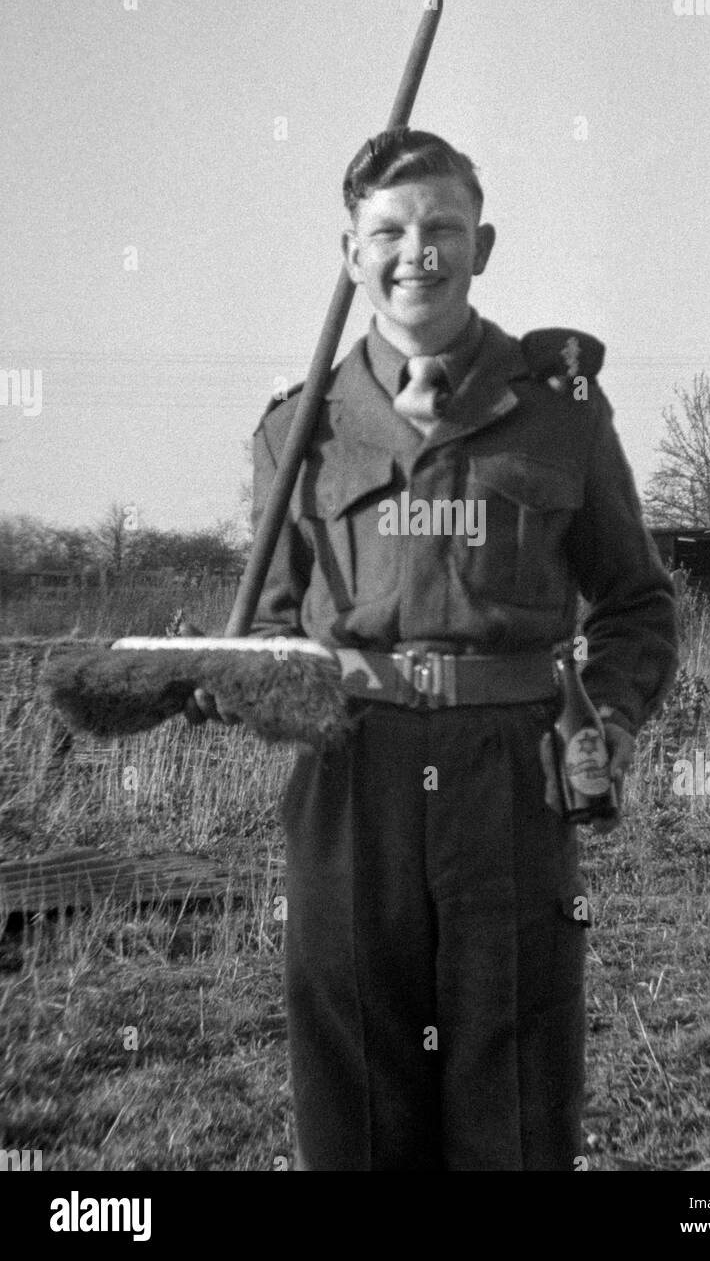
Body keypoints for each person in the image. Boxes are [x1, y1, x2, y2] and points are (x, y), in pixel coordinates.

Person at [188, 129, 679, 1171]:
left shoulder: (561, 415)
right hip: (350, 777)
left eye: (442, 229)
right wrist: (231, 683)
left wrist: (611, 718)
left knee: (514, 1083)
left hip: (510, 775)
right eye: (388, 232)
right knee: (357, 1093)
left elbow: (635, 601)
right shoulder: (297, 431)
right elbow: (274, 629)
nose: (417, 253)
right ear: (348, 252)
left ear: (482, 243)